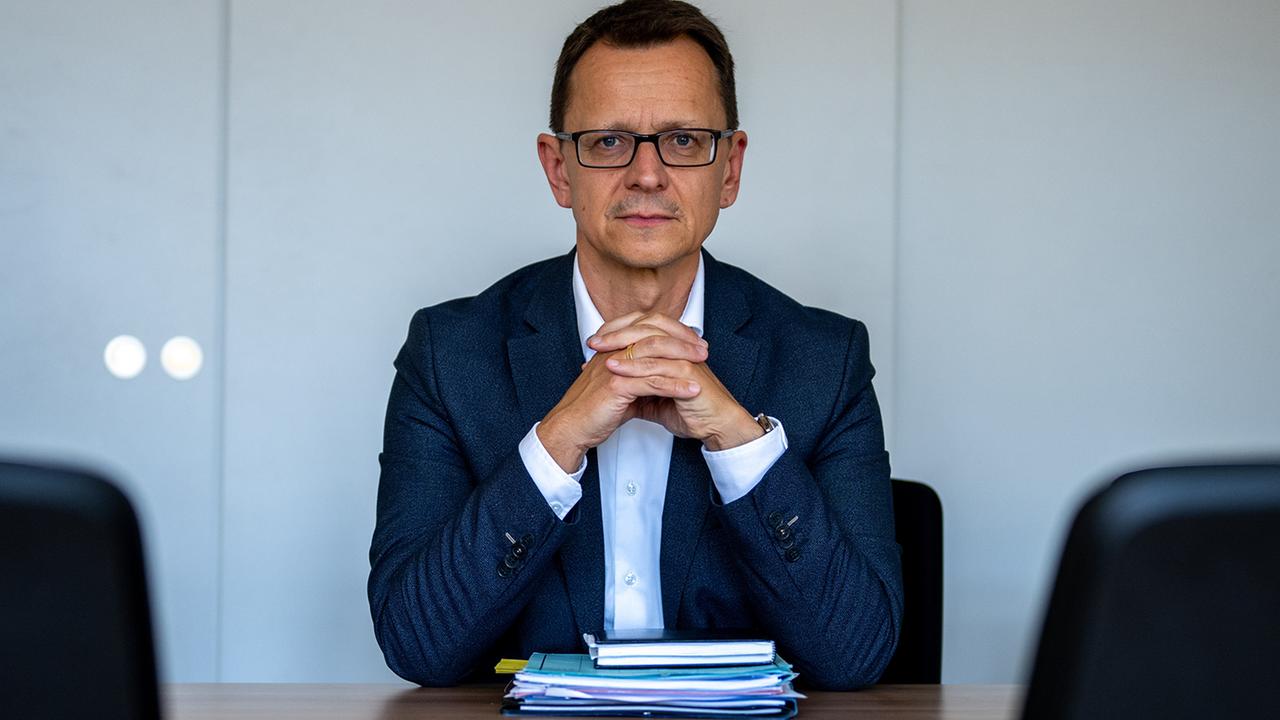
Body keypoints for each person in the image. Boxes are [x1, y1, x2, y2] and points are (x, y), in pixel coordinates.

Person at [368, 0, 902, 690]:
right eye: (608, 141)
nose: (647, 174)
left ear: (730, 168)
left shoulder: (825, 362)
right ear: (558, 169)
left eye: (683, 140)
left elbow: (856, 655)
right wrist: (558, 439)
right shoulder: (449, 356)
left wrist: (739, 441)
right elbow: (416, 645)